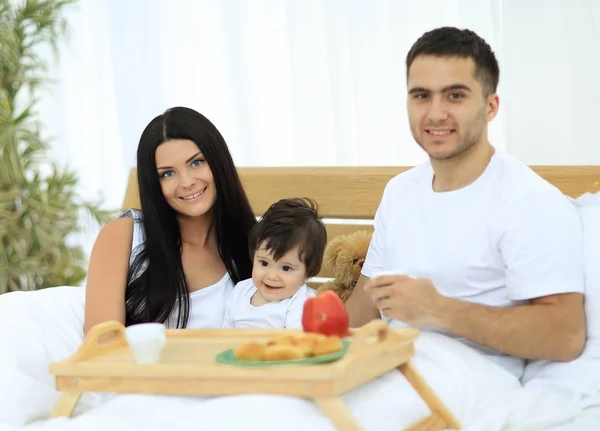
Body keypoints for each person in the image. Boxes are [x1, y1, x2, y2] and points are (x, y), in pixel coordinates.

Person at [344, 27, 586, 379]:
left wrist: (439, 309)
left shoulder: (530, 201)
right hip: (385, 364)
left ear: (491, 106)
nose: (435, 113)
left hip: (468, 380)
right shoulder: (399, 192)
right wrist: (301, 356)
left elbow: (565, 336)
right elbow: (364, 307)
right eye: (421, 95)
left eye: (455, 95)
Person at [83, 106, 257, 332]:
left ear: (218, 162)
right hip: (140, 367)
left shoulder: (251, 248)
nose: (186, 182)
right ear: (154, 184)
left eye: (196, 162)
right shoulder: (125, 234)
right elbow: (102, 345)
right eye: (167, 173)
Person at [222, 198, 327, 329]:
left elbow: (298, 345)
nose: (271, 276)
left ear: (308, 272)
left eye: (286, 268)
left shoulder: (303, 304)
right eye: (264, 263)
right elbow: (225, 334)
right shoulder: (241, 291)